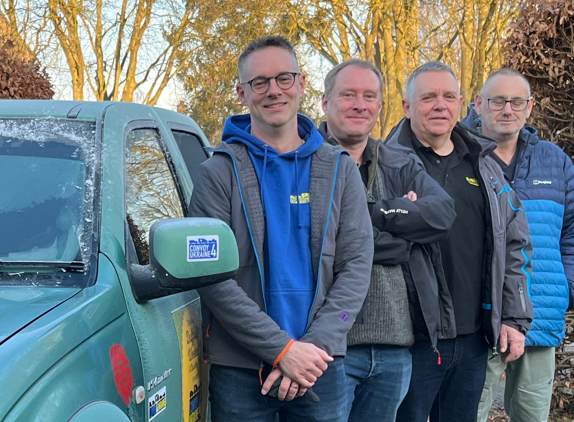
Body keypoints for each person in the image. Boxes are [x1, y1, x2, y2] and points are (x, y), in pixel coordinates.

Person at [188, 36, 373, 422]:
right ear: (242, 92)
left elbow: (356, 266)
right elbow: (210, 276)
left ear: (302, 84)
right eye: (260, 82)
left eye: (284, 78)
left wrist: (312, 349)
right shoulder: (217, 172)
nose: (274, 90)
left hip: (321, 365)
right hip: (240, 369)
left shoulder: (340, 168)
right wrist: (281, 351)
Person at [385, 61, 534, 422]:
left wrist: (514, 317)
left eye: (449, 96)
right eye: (429, 97)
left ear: (463, 103)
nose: (440, 105)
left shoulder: (485, 166)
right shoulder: (385, 165)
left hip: (473, 340)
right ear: (407, 106)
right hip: (412, 340)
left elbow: (514, 245)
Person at [318, 58, 456, 422]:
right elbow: (316, 240)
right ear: (324, 102)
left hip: (395, 348)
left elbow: (442, 214)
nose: (360, 104)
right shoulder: (304, 161)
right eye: (348, 94)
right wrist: (400, 234)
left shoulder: (400, 162)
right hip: (326, 349)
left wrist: (376, 213)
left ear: (381, 106)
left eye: (369, 96)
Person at [462, 68, 574, 422]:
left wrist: (570, 286)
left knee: (532, 416)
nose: (507, 109)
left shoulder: (555, 160)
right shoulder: (459, 157)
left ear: (529, 107)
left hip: (541, 310)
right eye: (497, 101)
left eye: (516, 101)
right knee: (466, 412)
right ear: (478, 104)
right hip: (476, 318)